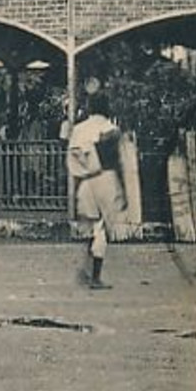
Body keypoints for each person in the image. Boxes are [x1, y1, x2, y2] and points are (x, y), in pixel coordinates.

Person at [67, 99, 126, 290]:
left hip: (86, 181)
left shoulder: (79, 129)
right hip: (105, 178)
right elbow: (115, 158)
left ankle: (86, 270)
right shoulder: (110, 128)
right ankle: (95, 276)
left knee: (92, 225)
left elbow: (73, 157)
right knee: (102, 229)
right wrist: (122, 187)